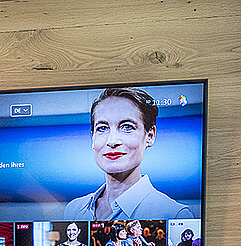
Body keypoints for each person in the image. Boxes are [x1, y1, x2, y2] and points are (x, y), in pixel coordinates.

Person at [64, 86, 194, 222]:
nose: (112, 141)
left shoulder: (174, 214)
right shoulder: (74, 210)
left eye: (127, 127)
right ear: (93, 138)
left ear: (150, 136)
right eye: (102, 128)